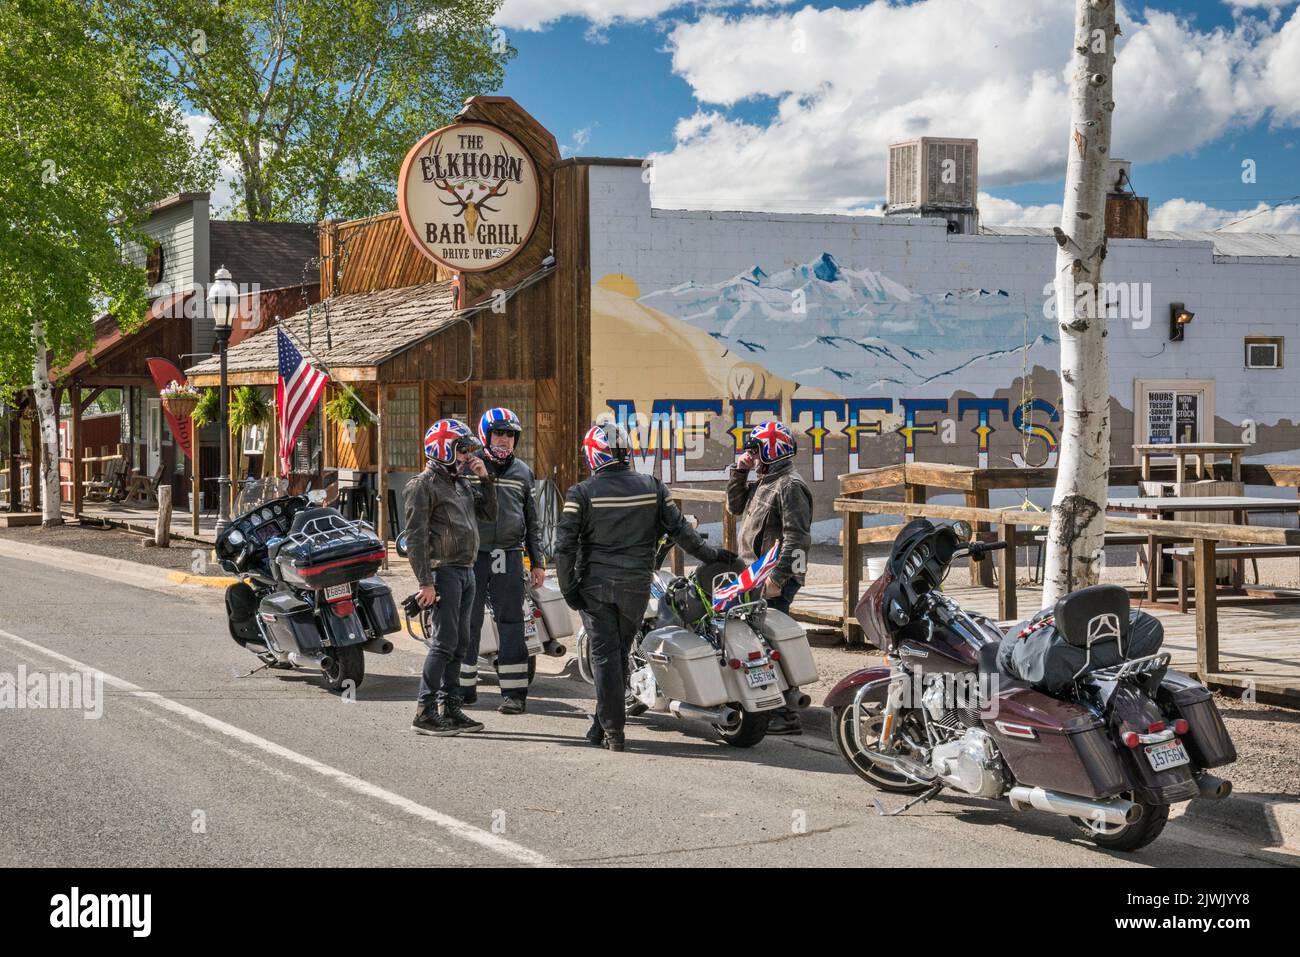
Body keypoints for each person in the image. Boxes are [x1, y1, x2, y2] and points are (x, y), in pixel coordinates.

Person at [554, 422, 731, 752]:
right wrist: (714, 556)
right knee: (619, 654)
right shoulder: (652, 486)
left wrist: (568, 588)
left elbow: (563, 546)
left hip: (596, 587)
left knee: (605, 656)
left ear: (594, 455)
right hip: (637, 586)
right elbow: (682, 532)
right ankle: (600, 725)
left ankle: (612, 731)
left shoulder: (581, 492)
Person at [404, 418, 497, 737]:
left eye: (469, 449)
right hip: (443, 571)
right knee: (443, 643)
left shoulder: (461, 483)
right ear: (442, 448)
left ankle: (451, 707)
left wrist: (485, 479)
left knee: (461, 642)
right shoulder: (423, 484)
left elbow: (489, 515)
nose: (467, 455)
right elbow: (414, 537)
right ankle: (425, 710)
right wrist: (424, 582)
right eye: (461, 449)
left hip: (466, 570)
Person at [727, 420, 813, 735]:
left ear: (771, 449)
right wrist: (740, 471)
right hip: (754, 576)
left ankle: (786, 713)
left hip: (773, 579)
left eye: (755, 449)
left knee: (769, 643)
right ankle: (769, 705)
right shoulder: (768, 480)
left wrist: (778, 577)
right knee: (758, 641)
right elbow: (735, 506)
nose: (750, 454)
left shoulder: (789, 485)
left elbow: (797, 538)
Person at [462, 407, 546, 714]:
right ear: (485, 434)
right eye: (499, 433)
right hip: (474, 555)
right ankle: (464, 689)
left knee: (512, 624)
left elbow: (532, 521)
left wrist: (537, 561)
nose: (505, 440)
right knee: (467, 621)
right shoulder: (468, 467)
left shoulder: (523, 471)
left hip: (509, 555)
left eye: (511, 435)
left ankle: (514, 694)